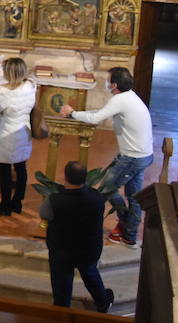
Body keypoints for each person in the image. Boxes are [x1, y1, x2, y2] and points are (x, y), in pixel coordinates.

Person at [61, 67, 154, 246]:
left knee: (104, 191)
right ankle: (129, 233)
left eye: (108, 79)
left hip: (132, 157)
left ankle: (86, 230)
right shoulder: (130, 96)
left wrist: (72, 113)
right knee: (133, 196)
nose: (106, 82)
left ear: (114, 85)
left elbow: (96, 118)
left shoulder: (120, 100)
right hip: (143, 154)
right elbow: (100, 112)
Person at [40, 161, 114, 313]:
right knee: (90, 274)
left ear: (65, 177)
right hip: (88, 250)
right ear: (85, 178)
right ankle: (102, 302)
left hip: (62, 252)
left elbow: (44, 215)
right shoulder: (97, 197)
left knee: (62, 286)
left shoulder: (54, 200)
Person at [0, 57, 36, 216]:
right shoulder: (30, 86)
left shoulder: (4, 92)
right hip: (23, 131)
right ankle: (17, 202)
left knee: (5, 171)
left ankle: (5, 205)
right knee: (21, 167)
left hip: (8, 134)